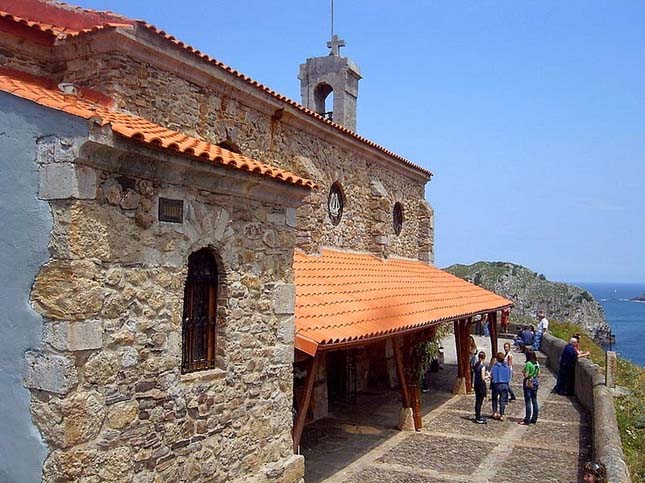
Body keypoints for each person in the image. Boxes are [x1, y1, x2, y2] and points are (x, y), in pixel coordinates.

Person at [518, 350, 540, 425]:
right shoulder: (537, 363)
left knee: (528, 401)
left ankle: (527, 419)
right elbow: (539, 374)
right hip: (535, 381)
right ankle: (534, 418)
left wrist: (524, 372)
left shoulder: (528, 364)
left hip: (529, 382)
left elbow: (526, 375)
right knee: (534, 400)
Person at [490, 351, 511, 420]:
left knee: (494, 399)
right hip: (505, 384)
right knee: (502, 400)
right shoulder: (507, 367)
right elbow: (509, 376)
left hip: (497, 384)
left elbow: (493, 376)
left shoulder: (495, 367)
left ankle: (495, 412)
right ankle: (502, 414)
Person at [473, 351, 489, 424]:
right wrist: (488, 375)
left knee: (477, 400)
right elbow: (483, 378)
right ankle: (478, 417)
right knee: (479, 401)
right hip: (481, 385)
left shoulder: (476, 365)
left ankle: (477, 415)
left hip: (476, 384)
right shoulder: (482, 367)